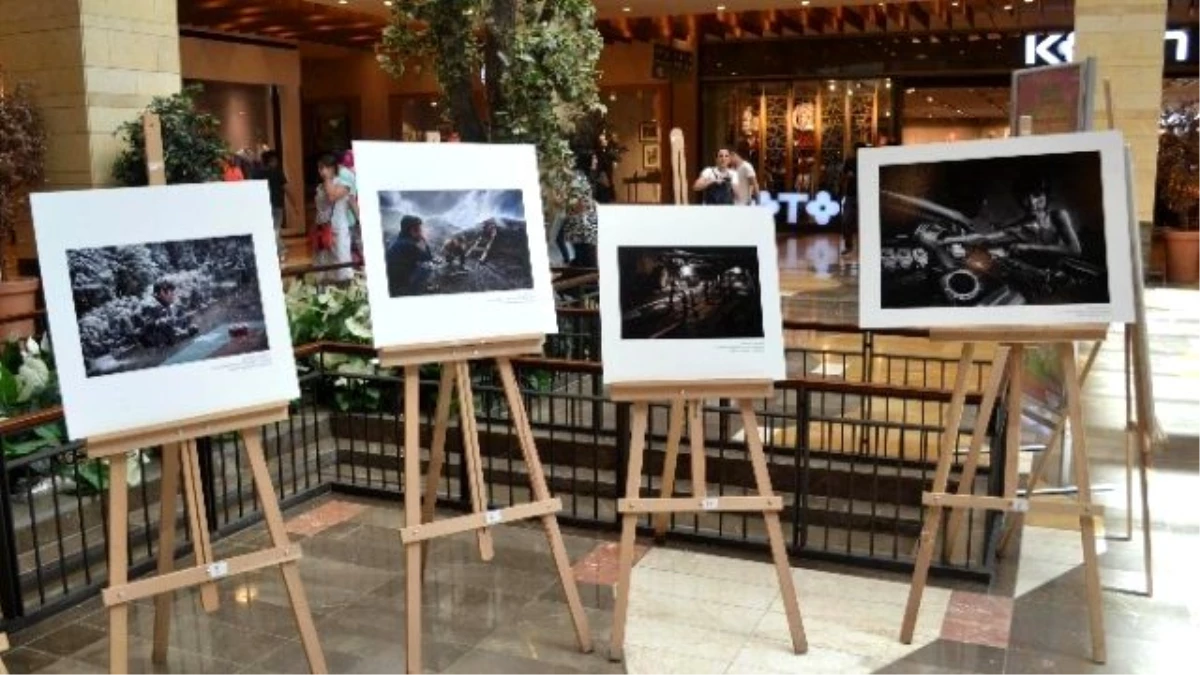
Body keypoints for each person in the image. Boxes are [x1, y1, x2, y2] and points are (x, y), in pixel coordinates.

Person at [316, 154, 355, 284]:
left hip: (338, 226)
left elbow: (332, 197)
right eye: (320, 168)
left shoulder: (342, 183)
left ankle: (344, 286)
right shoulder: (321, 186)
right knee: (323, 260)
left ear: (333, 168)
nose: (322, 171)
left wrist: (328, 179)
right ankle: (326, 287)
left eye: (324, 167)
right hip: (322, 228)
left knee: (340, 257)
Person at [563, 151, 599, 268]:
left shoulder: (583, 176)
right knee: (585, 257)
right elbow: (576, 200)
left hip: (585, 223)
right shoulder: (578, 176)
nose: (596, 161)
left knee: (585, 256)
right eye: (594, 159)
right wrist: (586, 212)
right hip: (582, 224)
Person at [140, 279, 198, 349]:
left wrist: (187, 322)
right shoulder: (155, 308)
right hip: (155, 347)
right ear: (161, 293)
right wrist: (187, 333)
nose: (173, 294)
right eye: (170, 291)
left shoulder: (166, 306)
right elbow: (165, 328)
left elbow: (176, 321)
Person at [386, 215, 435, 296]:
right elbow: (428, 257)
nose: (420, 231)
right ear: (409, 230)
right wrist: (423, 240)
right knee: (428, 267)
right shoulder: (410, 244)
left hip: (391, 279)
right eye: (417, 229)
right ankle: (414, 291)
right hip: (401, 283)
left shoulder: (396, 239)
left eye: (420, 229)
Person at [255, 150, 289, 262]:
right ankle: (281, 251)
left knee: (273, 230)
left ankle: (279, 252)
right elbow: (286, 189)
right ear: (272, 161)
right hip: (277, 205)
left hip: (263, 206)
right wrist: (294, 204)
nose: (277, 162)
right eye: (275, 160)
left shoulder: (257, 173)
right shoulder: (278, 172)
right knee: (275, 230)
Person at [839, 143, 868, 256]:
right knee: (846, 221)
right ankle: (848, 246)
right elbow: (843, 176)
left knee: (866, 223)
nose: (858, 152)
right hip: (851, 195)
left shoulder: (869, 161)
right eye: (856, 150)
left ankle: (866, 247)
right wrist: (847, 177)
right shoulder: (850, 161)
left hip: (866, 195)